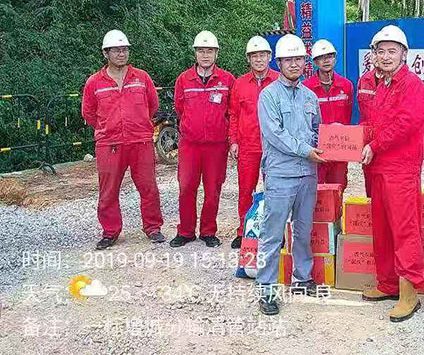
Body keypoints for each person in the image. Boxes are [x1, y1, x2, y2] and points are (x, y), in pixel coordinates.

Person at [255, 34, 325, 316]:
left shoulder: (310, 97)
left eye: (299, 59)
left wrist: (323, 146)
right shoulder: (268, 96)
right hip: (281, 174)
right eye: (289, 60)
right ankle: (266, 289)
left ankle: (302, 278)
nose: (294, 64)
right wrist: (307, 150)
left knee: (303, 230)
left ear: (305, 62)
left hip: (308, 173)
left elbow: (317, 129)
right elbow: (275, 134)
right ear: (279, 63)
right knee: (272, 234)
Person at [360, 25, 424, 323]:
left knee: (403, 229)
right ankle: (387, 283)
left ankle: (409, 293)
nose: (386, 56)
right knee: (382, 229)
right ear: (374, 55)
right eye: (381, 51)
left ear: (404, 54)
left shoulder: (412, 85)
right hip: (377, 167)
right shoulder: (380, 85)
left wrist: (374, 145)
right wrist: (353, 141)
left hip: (400, 169)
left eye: (392, 51)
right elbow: (372, 123)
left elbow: (406, 123)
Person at [81, 30, 164, 250]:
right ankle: (110, 231)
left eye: (125, 49)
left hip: (140, 141)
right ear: (105, 53)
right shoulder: (94, 82)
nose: (121, 54)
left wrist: (139, 124)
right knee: (108, 190)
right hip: (109, 144)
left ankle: (153, 227)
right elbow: (88, 113)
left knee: (148, 186)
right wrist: (107, 128)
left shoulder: (142, 78)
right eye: (116, 50)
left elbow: (153, 105)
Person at [170, 31, 235, 248]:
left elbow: (231, 111)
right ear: (195, 53)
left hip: (217, 145)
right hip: (190, 144)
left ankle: (208, 231)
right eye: (201, 51)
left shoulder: (227, 80)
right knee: (186, 186)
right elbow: (180, 108)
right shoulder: (184, 79)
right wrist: (192, 127)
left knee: (213, 188)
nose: (205, 55)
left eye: (210, 51)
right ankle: (186, 231)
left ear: (217, 54)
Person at [228, 36, 280, 249]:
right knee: (246, 189)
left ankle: (274, 231)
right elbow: (233, 114)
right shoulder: (239, 84)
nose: (259, 59)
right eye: (254, 56)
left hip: (274, 146)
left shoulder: (280, 80)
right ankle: (244, 231)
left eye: (262, 55)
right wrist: (233, 140)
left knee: (275, 189)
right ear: (248, 59)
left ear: (270, 57)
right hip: (248, 145)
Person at [302, 39, 354, 189]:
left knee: (338, 188)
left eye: (329, 56)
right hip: (315, 149)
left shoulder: (346, 85)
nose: (326, 60)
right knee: (315, 190)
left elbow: (348, 115)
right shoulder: (306, 88)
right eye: (321, 57)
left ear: (335, 59)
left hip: (339, 148)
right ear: (315, 62)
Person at [356, 37, 383, 197]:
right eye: (375, 52)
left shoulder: (399, 82)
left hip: (387, 146)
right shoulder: (364, 80)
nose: (377, 56)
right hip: (367, 146)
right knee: (371, 191)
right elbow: (362, 114)